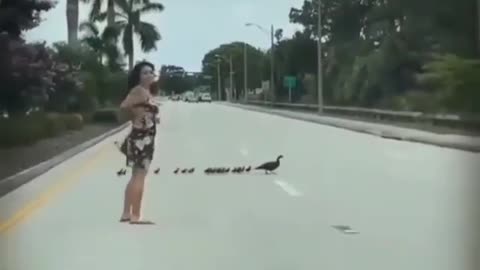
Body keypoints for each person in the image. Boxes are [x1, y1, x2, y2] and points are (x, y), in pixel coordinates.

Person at [118, 61, 158, 225]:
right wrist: (139, 113)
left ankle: (126, 213)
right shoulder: (139, 91)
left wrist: (148, 114)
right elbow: (124, 106)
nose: (149, 75)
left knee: (135, 175)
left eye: (151, 72)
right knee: (140, 176)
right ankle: (136, 216)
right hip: (142, 138)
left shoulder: (145, 91)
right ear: (139, 76)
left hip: (142, 136)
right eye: (145, 73)